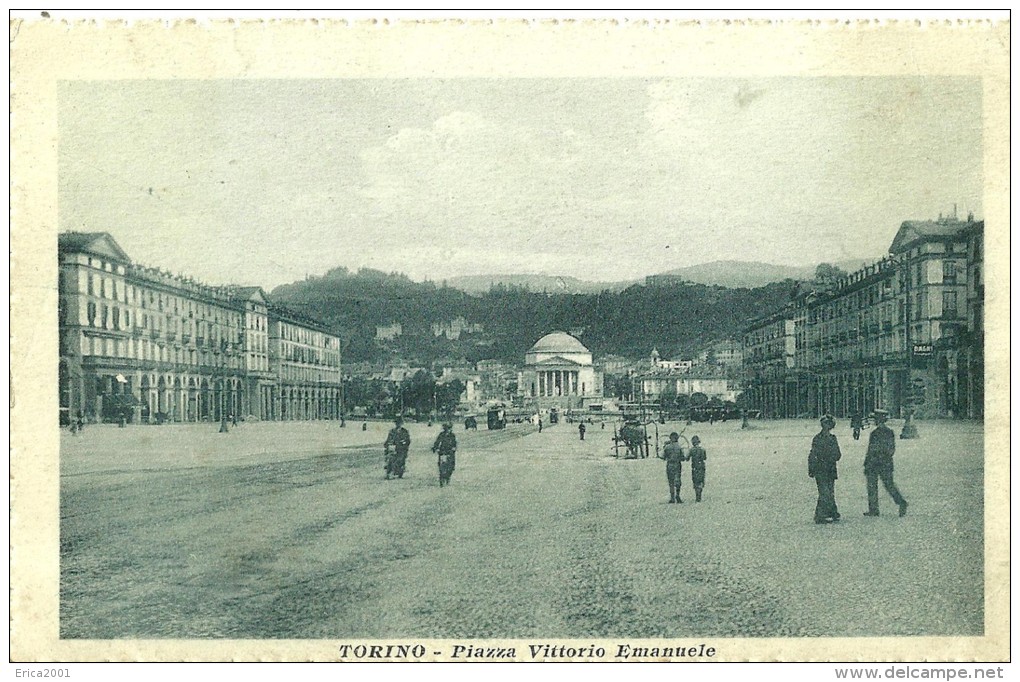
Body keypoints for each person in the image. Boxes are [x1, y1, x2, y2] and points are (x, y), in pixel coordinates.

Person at [863, 410, 908, 517]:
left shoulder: (876, 433)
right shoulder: (889, 432)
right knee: (888, 485)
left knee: (874, 486)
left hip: (876, 463)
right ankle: (900, 502)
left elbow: (872, 450)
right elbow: (891, 449)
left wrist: (868, 462)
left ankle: (874, 509)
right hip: (884, 463)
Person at [808, 414, 842, 524]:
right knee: (824, 492)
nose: (827, 426)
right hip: (820, 469)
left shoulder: (833, 438)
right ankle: (820, 515)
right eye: (825, 424)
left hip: (830, 469)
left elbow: (838, 455)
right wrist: (812, 469)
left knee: (830, 492)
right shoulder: (817, 438)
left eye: (829, 424)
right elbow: (812, 454)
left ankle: (832, 512)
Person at [661, 432, 686, 503]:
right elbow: (683, 458)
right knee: (678, 480)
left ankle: (672, 498)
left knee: (671, 481)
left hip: (669, 465)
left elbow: (663, 457)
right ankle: (678, 495)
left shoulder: (667, 447)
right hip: (677, 465)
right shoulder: (679, 447)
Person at [432, 422, 457, 487]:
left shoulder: (452, 435)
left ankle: (448, 477)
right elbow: (437, 442)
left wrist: (454, 448)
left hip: (450, 453)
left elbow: (454, 443)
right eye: (448, 428)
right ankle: (442, 479)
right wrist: (435, 448)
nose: (450, 429)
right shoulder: (441, 435)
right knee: (442, 467)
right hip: (442, 452)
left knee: (451, 467)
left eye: (450, 428)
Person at [689, 435, 707, 502]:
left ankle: (697, 495)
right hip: (702, 466)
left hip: (695, 466)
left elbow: (687, 458)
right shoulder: (703, 449)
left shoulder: (691, 450)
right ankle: (700, 494)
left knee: (695, 480)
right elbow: (705, 458)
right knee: (701, 480)